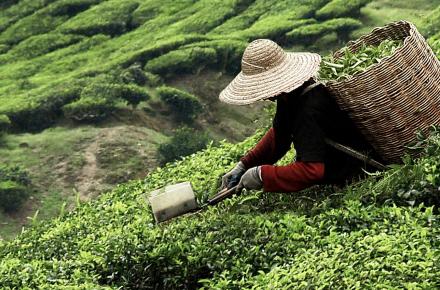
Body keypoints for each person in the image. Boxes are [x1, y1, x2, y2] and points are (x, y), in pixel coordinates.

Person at [219, 39, 379, 193]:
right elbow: (279, 135)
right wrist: (244, 165)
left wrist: (261, 175)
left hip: (357, 167)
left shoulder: (309, 107)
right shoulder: (290, 93)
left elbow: (311, 171)